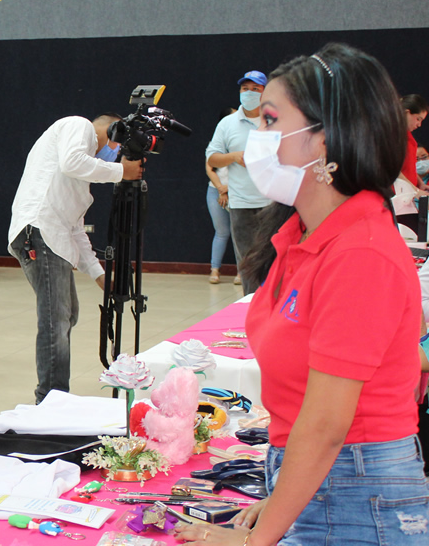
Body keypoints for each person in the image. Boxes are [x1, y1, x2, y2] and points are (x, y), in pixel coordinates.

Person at [176, 43, 429, 546]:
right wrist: (285, 496)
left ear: (325, 139)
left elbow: (327, 423)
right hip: (326, 482)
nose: (257, 136)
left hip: (358, 496)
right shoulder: (302, 235)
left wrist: (255, 540)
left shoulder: (361, 250)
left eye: (270, 120)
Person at [7, 113, 142, 404]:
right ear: (112, 131)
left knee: (67, 316)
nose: (116, 155)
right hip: (39, 231)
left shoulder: (80, 180)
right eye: (118, 148)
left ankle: (53, 395)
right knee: (56, 320)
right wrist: (122, 172)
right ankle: (50, 400)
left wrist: (100, 275)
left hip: (49, 236)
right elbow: (73, 162)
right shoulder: (78, 126)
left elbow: (76, 231)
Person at [205, 70, 271, 293]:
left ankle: (275, 314)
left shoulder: (277, 119)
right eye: (245, 89)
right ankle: (250, 310)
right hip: (241, 203)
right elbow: (211, 157)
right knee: (247, 262)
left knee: (275, 262)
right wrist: (233, 157)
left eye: (256, 89)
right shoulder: (228, 123)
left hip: (274, 204)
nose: (249, 93)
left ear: (265, 92)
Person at [206, 107, 237, 284]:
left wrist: (229, 189)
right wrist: (220, 189)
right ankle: (215, 270)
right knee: (222, 232)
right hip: (215, 191)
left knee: (239, 233)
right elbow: (209, 168)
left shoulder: (242, 141)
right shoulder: (215, 143)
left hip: (237, 191)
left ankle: (242, 272)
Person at [396, 94, 429, 231]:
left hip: (408, 195)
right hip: (398, 197)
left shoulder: (407, 135)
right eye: (418, 119)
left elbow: (407, 166)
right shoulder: (393, 134)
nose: (419, 124)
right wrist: (415, 190)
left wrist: (419, 184)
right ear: (407, 113)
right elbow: (394, 170)